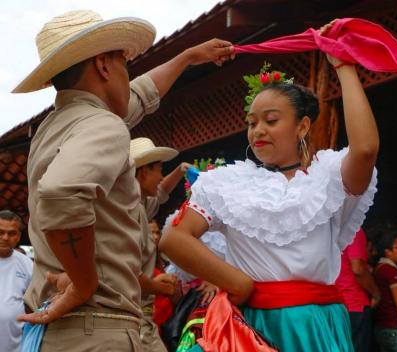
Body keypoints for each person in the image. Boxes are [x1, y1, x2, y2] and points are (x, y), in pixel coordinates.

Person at [15, 9, 234, 351]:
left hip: (71, 330)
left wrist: (189, 56)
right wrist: (85, 284)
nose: (127, 75)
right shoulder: (102, 124)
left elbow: (138, 97)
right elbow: (63, 194)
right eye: (124, 64)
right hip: (98, 326)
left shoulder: (57, 126)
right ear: (103, 66)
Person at [160, 20, 379, 351]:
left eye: (271, 120)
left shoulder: (328, 180)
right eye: (252, 122)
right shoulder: (226, 184)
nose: (258, 130)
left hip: (313, 326)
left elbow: (365, 150)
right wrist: (236, 281)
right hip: (248, 326)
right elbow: (174, 238)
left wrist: (343, 65)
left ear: (302, 126)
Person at [130, 137, 191, 351]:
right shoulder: (127, 213)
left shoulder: (138, 205)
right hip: (134, 323)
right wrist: (157, 285)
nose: (161, 177)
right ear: (144, 172)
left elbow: (161, 192)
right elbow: (123, 273)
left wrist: (180, 171)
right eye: (159, 170)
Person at [335, 228, 381, 352]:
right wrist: (376, 293)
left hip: (333, 304)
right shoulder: (353, 229)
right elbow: (358, 269)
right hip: (354, 303)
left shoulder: (329, 231)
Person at [0, 210, 33, 352]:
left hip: (14, 345)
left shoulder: (27, 264)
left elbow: (35, 303)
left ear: (19, 236)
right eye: (0, 232)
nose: (5, 237)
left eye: (11, 233)